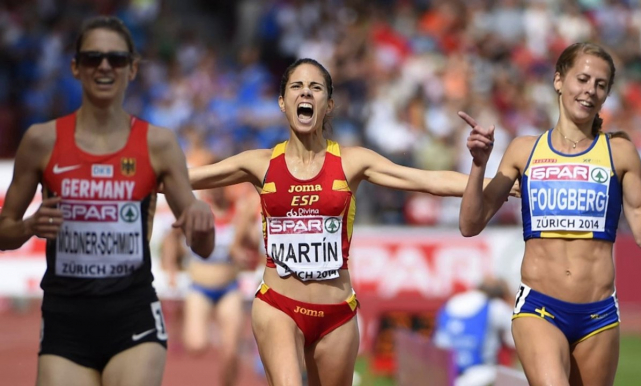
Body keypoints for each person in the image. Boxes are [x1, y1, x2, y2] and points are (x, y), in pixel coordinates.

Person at [186, 57, 493, 386]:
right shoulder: (259, 163)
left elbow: (426, 180)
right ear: (282, 102)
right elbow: (185, 177)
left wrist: (497, 182)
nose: (306, 93)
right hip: (278, 306)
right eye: (296, 87)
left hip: (337, 314)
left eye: (315, 88)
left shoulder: (351, 161)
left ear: (328, 104)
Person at [0, 16, 215, 386]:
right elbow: (3, 232)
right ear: (75, 67)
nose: (104, 66)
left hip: (133, 317)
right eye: (92, 57)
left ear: (132, 69)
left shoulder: (158, 144)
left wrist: (201, 216)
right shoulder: (41, 141)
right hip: (65, 322)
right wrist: (27, 227)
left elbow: (203, 246)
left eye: (115, 59)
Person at [458, 42, 641, 385]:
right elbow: (470, 224)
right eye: (583, 79)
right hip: (539, 308)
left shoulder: (619, 152)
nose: (590, 90)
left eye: (600, 84)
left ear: (607, 94)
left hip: (600, 315)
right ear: (558, 81)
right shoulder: (525, 150)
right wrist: (479, 166)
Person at [161, 184, 261, 386]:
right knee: (196, 345)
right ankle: (195, 324)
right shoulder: (197, 211)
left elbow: (254, 244)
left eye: (220, 188)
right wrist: (170, 266)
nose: (216, 192)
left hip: (229, 288)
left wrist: (247, 243)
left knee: (231, 350)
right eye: (212, 188)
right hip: (199, 287)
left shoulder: (238, 212)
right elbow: (171, 238)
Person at [433, 277, 516, 386]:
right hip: (480, 374)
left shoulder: (453, 301)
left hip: (445, 372)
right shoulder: (496, 307)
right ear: (501, 295)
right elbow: (514, 341)